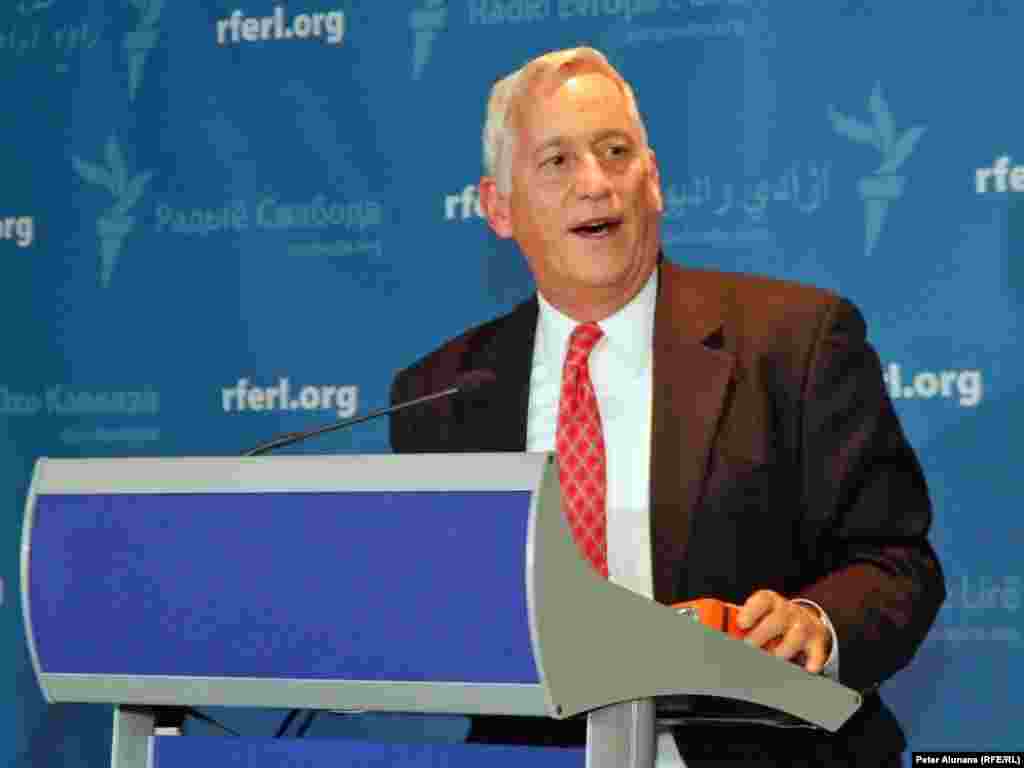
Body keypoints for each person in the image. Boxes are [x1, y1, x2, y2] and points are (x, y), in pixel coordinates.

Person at [389, 47, 945, 767]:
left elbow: (895, 560)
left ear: (653, 181)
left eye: (615, 152)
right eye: (557, 161)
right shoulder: (440, 394)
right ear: (499, 207)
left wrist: (816, 622)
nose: (595, 185)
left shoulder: (795, 341)